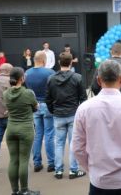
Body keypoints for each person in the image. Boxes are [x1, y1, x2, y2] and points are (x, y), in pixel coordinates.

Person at [72, 60, 121, 195]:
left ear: (98, 80)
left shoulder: (84, 109)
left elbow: (77, 147)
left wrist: (90, 168)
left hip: (99, 180)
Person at [46, 52, 87, 180]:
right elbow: (83, 98)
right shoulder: (77, 77)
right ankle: (73, 170)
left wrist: (53, 111)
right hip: (73, 113)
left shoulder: (51, 78)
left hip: (58, 114)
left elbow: (48, 98)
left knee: (59, 143)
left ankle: (58, 171)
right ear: (71, 63)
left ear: (59, 62)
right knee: (73, 143)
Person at [3, 67, 40, 195]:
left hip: (11, 128)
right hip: (25, 129)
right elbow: (36, 107)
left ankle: (15, 191)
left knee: (13, 160)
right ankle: (24, 191)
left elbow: (9, 108)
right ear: (22, 78)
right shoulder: (28, 93)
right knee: (24, 160)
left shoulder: (5, 93)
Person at [25, 51, 56, 173]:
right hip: (47, 105)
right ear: (43, 60)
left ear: (34, 59)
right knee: (49, 134)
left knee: (38, 134)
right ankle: (51, 163)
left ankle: (37, 162)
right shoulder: (50, 73)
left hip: (35, 106)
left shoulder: (27, 73)